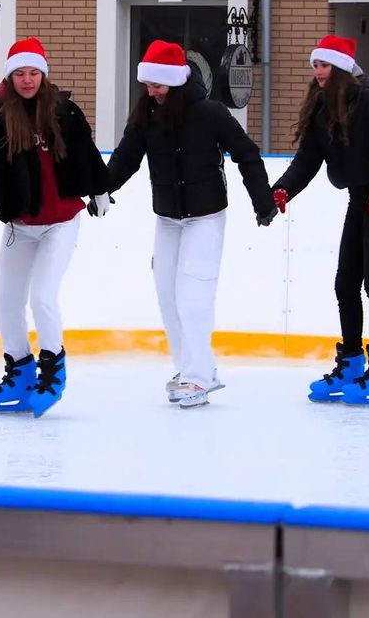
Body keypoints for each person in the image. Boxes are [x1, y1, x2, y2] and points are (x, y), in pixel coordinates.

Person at [106, 40, 278, 408]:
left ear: (176, 82)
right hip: (167, 217)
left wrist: (262, 201)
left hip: (206, 216)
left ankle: (199, 377)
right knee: (167, 293)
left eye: (158, 85)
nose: (151, 92)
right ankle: (191, 368)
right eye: (148, 85)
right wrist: (101, 190)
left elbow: (246, 154)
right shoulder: (146, 115)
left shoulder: (210, 113)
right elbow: (125, 157)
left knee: (194, 293)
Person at [0, 37, 110, 418]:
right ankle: (19, 372)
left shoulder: (65, 111)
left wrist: (99, 190)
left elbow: (85, 153)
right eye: (20, 73)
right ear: (10, 77)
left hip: (61, 222)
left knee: (43, 296)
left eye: (33, 73)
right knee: (7, 303)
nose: (27, 80)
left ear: (43, 75)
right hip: (20, 223)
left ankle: (53, 369)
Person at [271, 35, 369, 405]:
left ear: (342, 69)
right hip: (358, 200)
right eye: (315, 66)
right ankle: (350, 362)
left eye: (324, 65)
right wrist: (282, 190)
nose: (317, 72)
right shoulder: (321, 108)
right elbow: (307, 161)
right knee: (345, 283)